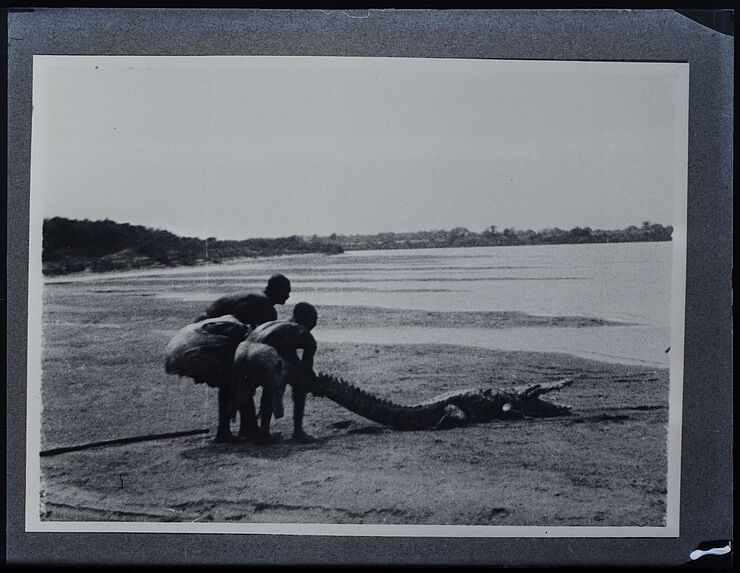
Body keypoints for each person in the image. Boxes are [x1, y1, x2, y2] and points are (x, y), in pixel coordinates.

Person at [238, 302, 319, 444]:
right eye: (314, 321)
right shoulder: (304, 333)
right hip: (261, 353)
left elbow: (289, 356)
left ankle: (257, 432)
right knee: (299, 383)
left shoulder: (282, 324)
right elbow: (305, 369)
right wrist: (313, 383)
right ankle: (297, 432)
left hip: (242, 350)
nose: (315, 324)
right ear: (308, 321)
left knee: (268, 382)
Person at [164, 314, 251, 443]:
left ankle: (230, 430)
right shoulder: (241, 330)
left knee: (228, 384)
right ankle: (231, 431)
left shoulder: (226, 320)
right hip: (190, 351)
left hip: (174, 348)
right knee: (231, 384)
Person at [200, 274, 291, 328]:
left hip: (204, 321)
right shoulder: (264, 302)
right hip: (206, 324)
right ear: (277, 290)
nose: (288, 296)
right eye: (286, 291)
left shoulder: (258, 296)